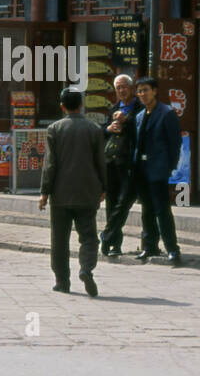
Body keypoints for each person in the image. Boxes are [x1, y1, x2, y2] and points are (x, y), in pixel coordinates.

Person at [38, 88, 107, 296]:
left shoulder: (55, 129)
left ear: (62, 106)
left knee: (59, 240)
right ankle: (86, 268)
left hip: (60, 194)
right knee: (89, 237)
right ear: (81, 105)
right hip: (87, 192)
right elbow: (101, 163)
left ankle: (62, 281)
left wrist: (44, 192)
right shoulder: (94, 129)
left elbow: (50, 164)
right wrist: (104, 187)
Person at [131, 76, 182, 266]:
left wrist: (169, 167)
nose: (142, 94)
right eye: (140, 91)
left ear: (155, 91)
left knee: (162, 210)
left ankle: (172, 249)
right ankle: (149, 246)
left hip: (158, 169)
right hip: (141, 169)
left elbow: (174, 144)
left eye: (146, 90)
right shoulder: (139, 115)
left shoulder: (166, 113)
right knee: (147, 210)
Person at [99, 74, 142, 258]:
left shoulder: (140, 108)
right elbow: (104, 132)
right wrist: (109, 129)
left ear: (132, 88)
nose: (121, 90)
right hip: (111, 162)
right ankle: (114, 244)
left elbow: (141, 130)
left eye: (124, 86)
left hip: (129, 163)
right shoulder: (114, 108)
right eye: (118, 87)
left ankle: (107, 235)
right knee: (112, 202)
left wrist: (127, 120)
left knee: (124, 202)